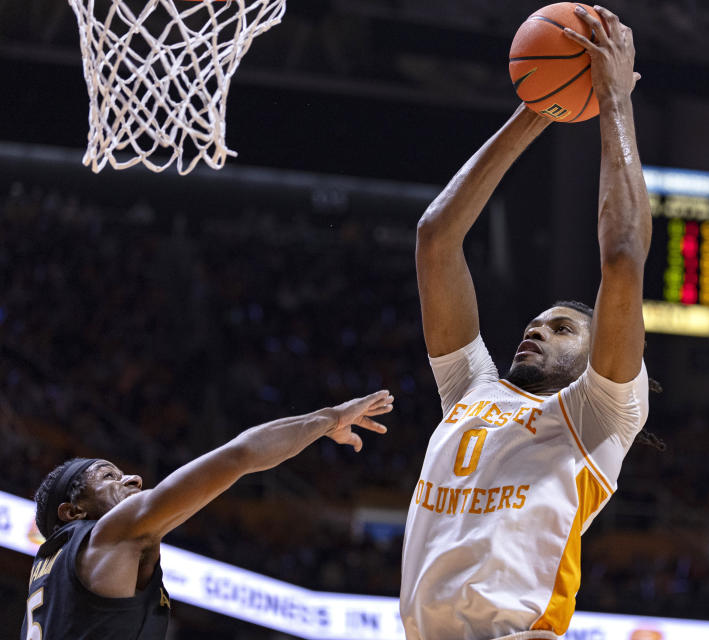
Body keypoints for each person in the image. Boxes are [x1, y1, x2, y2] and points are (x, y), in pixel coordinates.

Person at [399, 6, 661, 639]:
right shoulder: (471, 391)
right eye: (540, 321)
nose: (537, 329)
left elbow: (623, 258)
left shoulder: (599, 417)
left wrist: (612, 99)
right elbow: (436, 238)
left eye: (564, 328)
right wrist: (538, 108)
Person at [20, 390, 393, 640]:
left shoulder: (49, 577)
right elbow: (239, 456)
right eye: (108, 477)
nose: (133, 477)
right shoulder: (110, 533)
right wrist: (329, 419)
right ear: (72, 511)